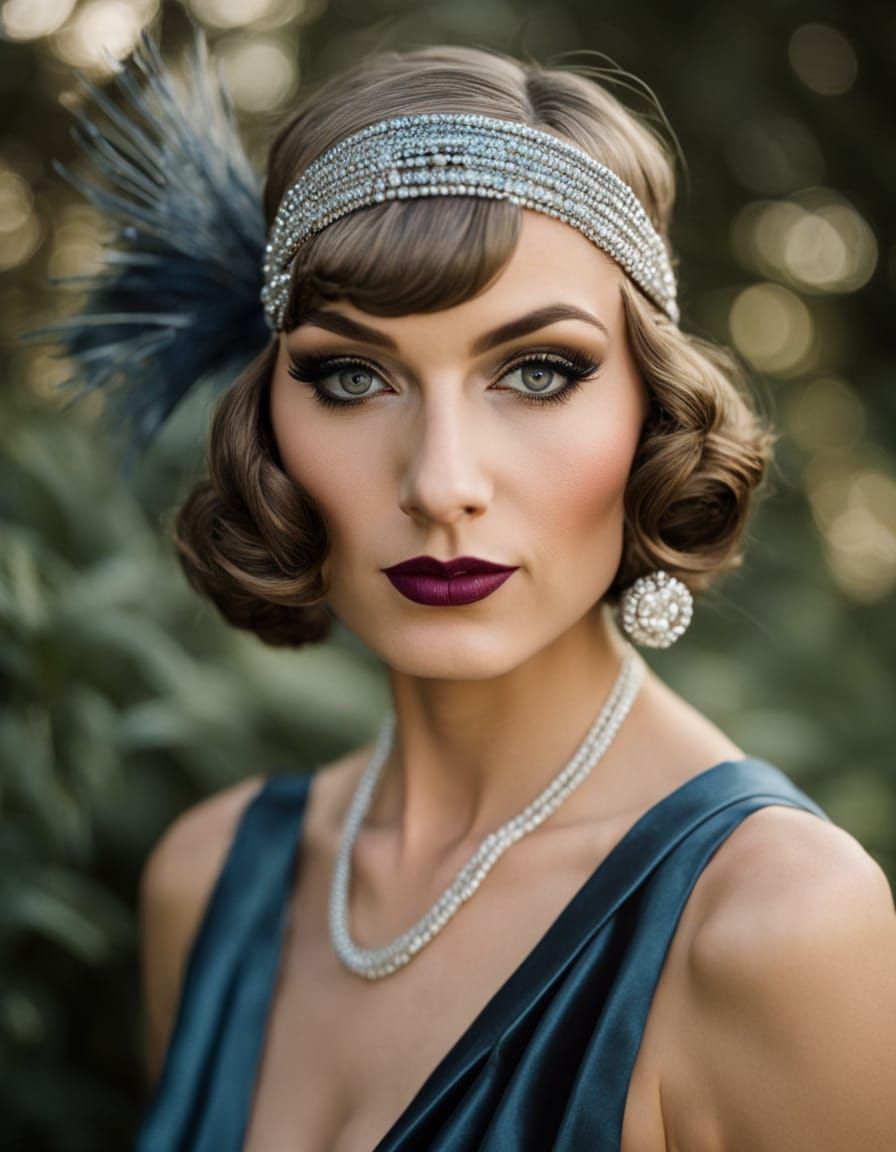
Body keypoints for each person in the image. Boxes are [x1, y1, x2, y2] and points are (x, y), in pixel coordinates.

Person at [43, 27, 895, 1152]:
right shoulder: (208, 887)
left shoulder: (774, 926)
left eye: (536, 371)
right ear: (269, 423)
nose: (441, 483)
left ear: (651, 405)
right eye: (351, 376)